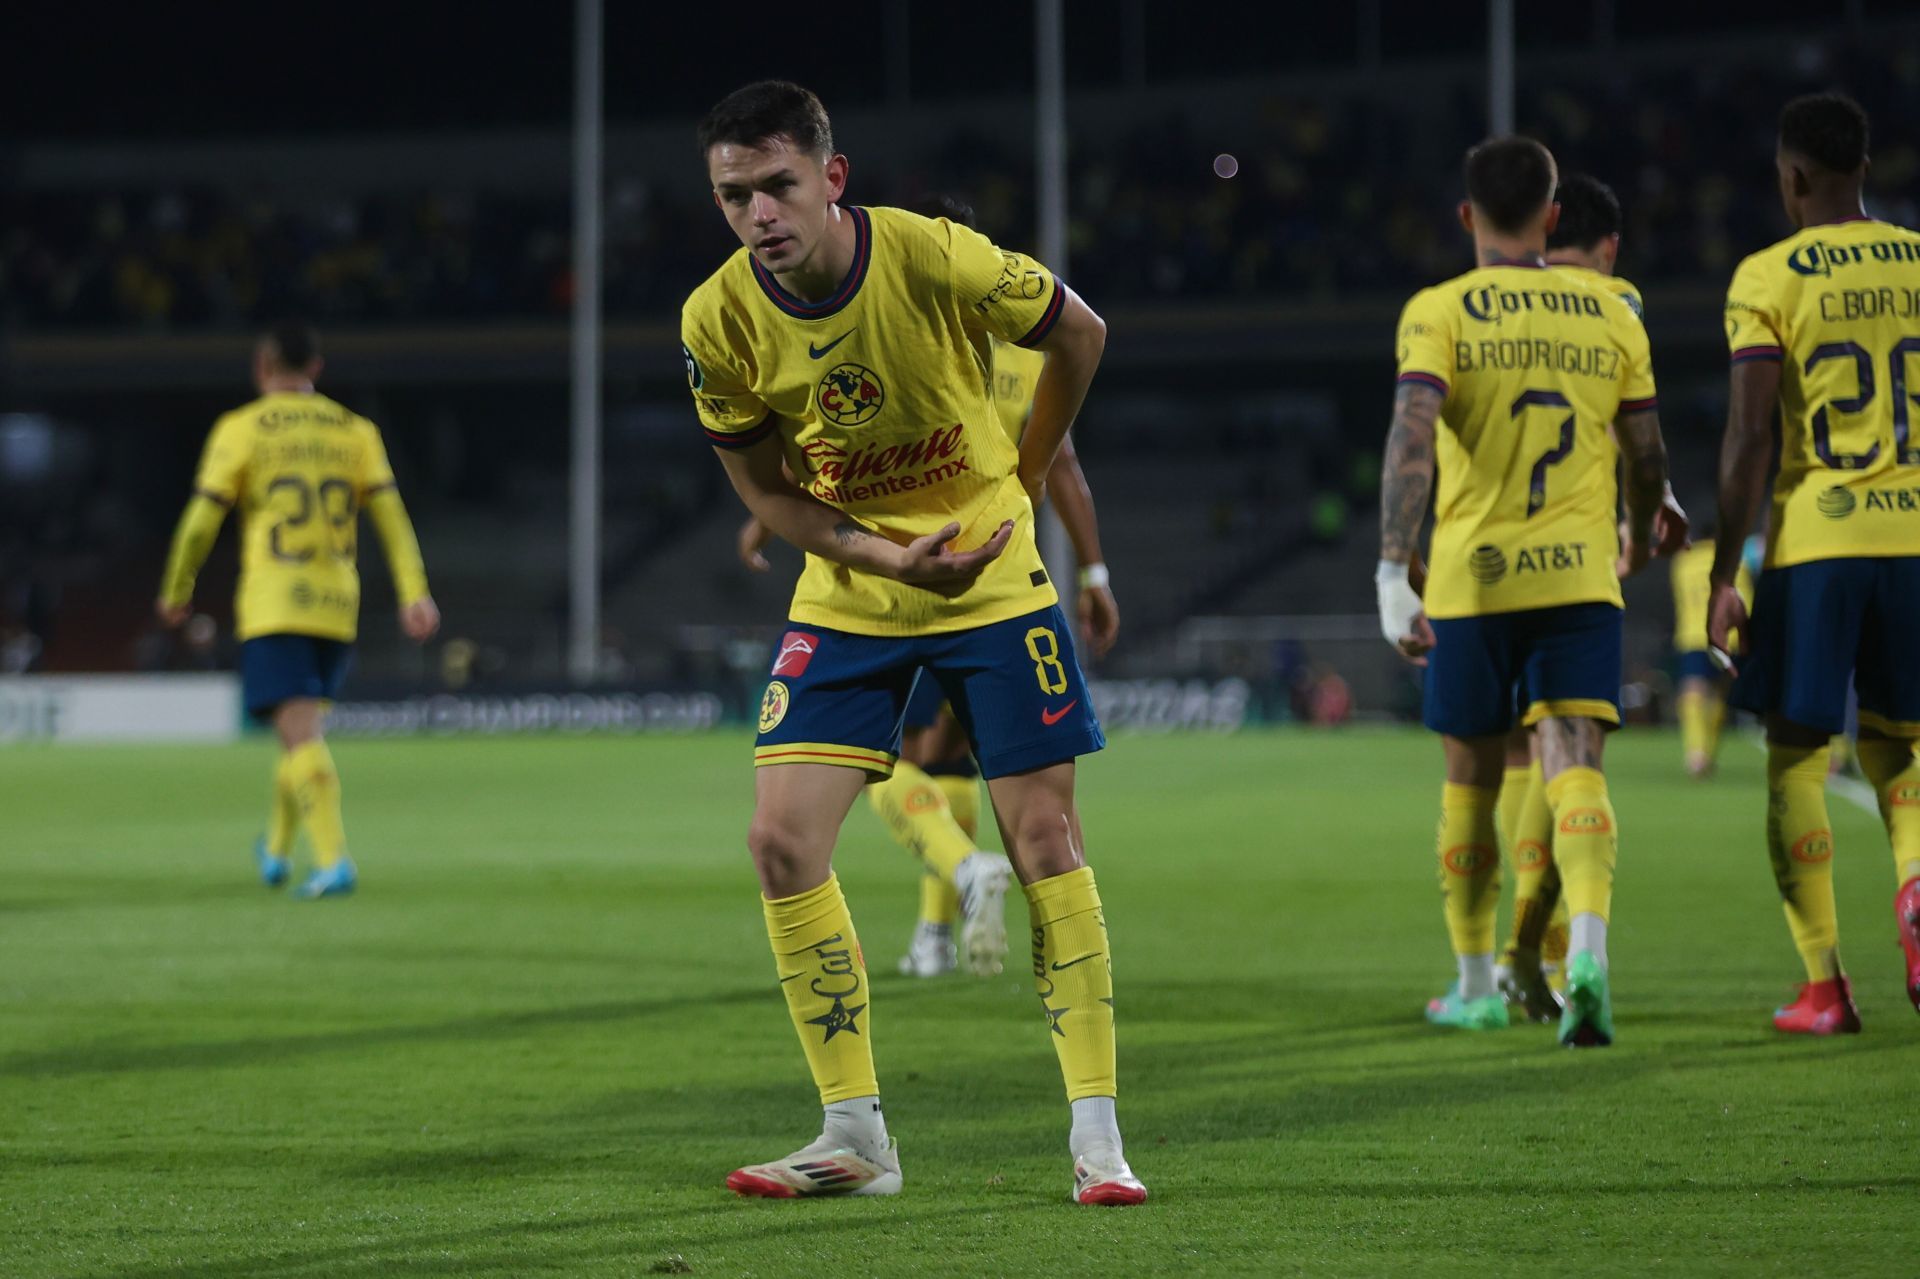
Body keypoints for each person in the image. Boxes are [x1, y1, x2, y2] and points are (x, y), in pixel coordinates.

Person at [682, 81, 1143, 1204]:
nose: (759, 215)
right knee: (780, 843)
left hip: (991, 578)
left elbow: (1081, 332)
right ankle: (855, 1137)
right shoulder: (716, 320)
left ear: (831, 177)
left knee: (1045, 840)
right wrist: (883, 559)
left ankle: (1098, 1139)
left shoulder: (932, 253)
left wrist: (1026, 472)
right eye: (735, 196)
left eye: (779, 185)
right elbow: (765, 490)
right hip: (854, 593)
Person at [736, 193, 1121, 982]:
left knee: (897, 762)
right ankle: (936, 934)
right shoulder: (1023, 355)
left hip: (908, 583)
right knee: (953, 766)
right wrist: (1094, 571)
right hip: (1004, 585)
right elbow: (1062, 466)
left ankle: (962, 868)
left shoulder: (899, 340)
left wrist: (765, 521)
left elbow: (848, 455)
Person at [1377, 136, 1682, 1048]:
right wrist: (1642, 525)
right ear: (1553, 216)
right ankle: (1584, 954)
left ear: (1467, 216)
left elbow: (1412, 436)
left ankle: (1477, 984)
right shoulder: (1611, 310)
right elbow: (1648, 455)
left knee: (1470, 782)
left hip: (1474, 579)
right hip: (1580, 576)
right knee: (1575, 762)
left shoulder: (1440, 310)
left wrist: (1392, 569)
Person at [1709, 93, 1920, 1035]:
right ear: (1864, 169)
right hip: (1915, 537)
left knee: (1796, 755)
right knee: (1902, 747)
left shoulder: (1768, 276)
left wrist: (1725, 573)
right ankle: (1915, 885)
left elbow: (1750, 435)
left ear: (1792, 177)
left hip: (1819, 541)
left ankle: (1825, 988)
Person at [156, 323, 439, 899]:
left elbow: (202, 520)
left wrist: (177, 586)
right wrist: (415, 591)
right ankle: (277, 849)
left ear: (261, 368)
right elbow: (392, 518)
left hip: (275, 603)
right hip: (337, 605)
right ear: (315, 368)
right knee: (298, 731)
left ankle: (334, 861)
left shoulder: (240, 429)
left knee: (301, 736)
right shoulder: (356, 431)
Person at [1667, 528, 1756, 777]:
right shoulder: (1736, 561)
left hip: (1693, 635)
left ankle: (1696, 754)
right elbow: (1745, 600)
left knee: (1692, 691)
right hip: (1728, 637)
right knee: (1719, 693)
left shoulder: (1683, 562)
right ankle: (1708, 752)